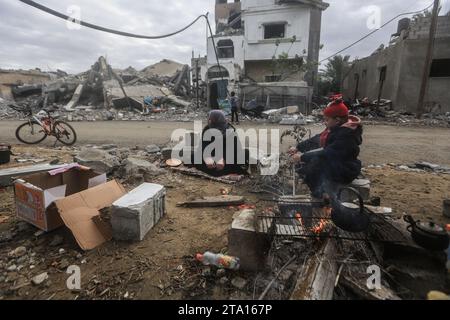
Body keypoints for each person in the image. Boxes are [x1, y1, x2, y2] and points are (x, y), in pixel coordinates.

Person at [288, 98, 363, 199]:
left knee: (313, 166)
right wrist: (298, 148)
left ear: (337, 120)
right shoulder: (335, 129)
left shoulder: (346, 135)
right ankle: (322, 192)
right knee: (306, 166)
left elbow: (327, 153)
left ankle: (323, 197)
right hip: (336, 164)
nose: (324, 122)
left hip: (346, 169)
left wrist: (302, 157)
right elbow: (317, 140)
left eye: (327, 120)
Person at [192, 110, 249, 177]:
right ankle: (216, 170)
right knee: (193, 157)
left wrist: (223, 159)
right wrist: (207, 157)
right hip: (213, 156)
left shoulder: (230, 131)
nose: (209, 121)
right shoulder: (207, 129)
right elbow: (203, 146)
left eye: (210, 119)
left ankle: (217, 171)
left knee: (244, 155)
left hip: (228, 159)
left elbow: (234, 150)